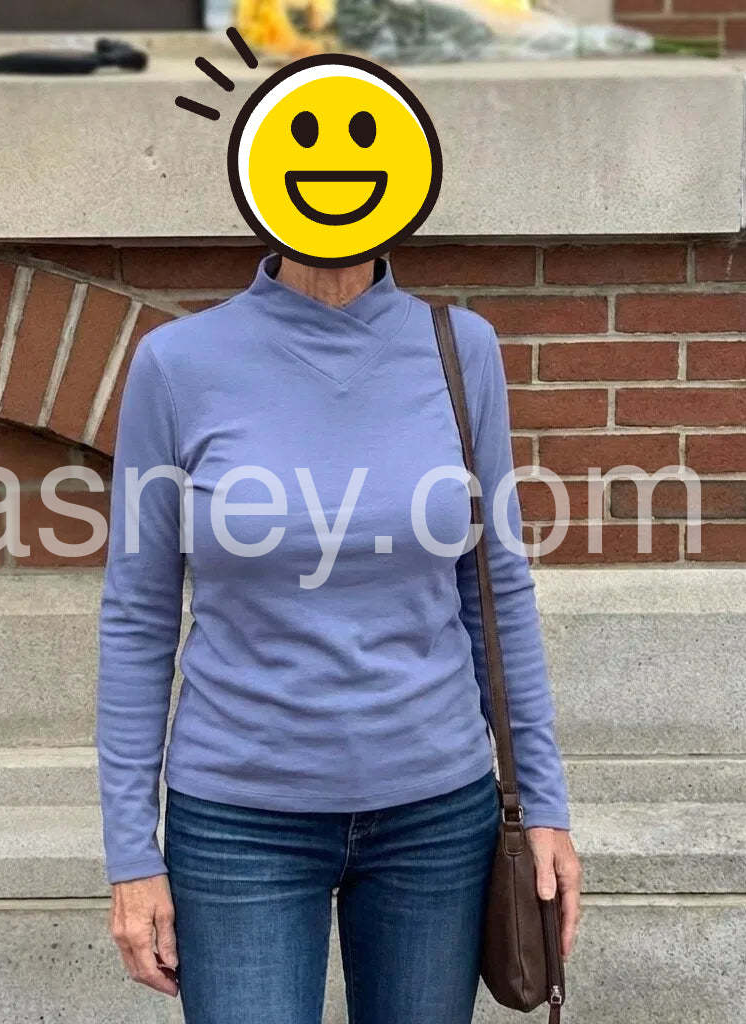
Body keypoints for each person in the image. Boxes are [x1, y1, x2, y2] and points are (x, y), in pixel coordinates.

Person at [96, 249, 583, 1024]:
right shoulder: (178, 364)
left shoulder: (461, 350)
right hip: (238, 824)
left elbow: (497, 587)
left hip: (436, 818)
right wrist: (131, 853)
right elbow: (137, 613)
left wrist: (545, 802)